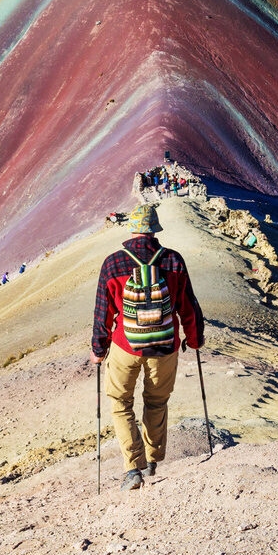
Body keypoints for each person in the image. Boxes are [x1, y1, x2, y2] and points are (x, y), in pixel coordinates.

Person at [90, 203, 204, 491]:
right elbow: (188, 306)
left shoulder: (113, 263)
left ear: (132, 228)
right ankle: (152, 460)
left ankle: (133, 469)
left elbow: (103, 313)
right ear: (155, 230)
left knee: (120, 403)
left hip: (125, 348)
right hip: (165, 347)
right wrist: (194, 339)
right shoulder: (173, 261)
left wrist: (98, 349)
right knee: (156, 402)